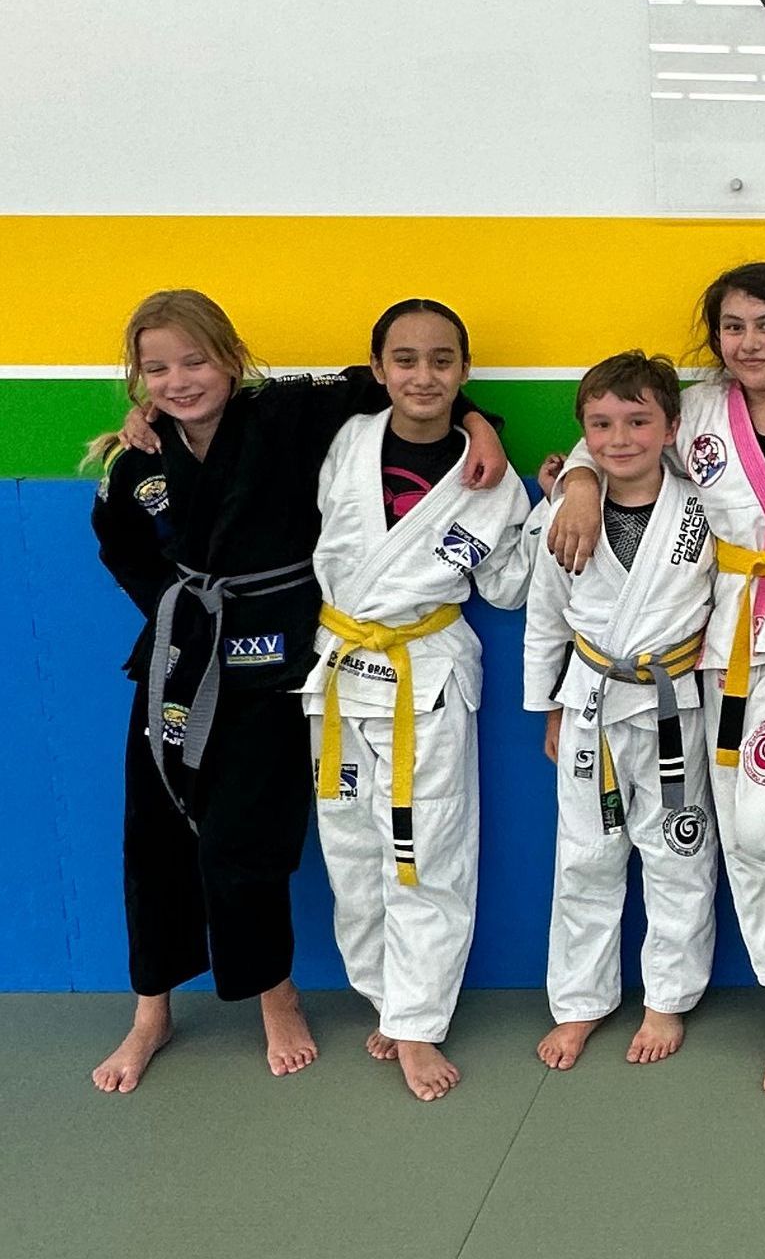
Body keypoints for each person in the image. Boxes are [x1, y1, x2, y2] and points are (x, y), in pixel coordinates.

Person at [88, 289, 507, 1094]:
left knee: (245, 842)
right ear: (138, 380)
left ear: (233, 358)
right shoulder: (135, 461)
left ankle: (273, 996)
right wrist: (176, 613)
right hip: (179, 658)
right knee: (153, 837)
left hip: (276, 660)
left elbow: (409, 385)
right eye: (157, 369)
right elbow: (119, 545)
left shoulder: (288, 415)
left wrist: (482, 422)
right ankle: (151, 1010)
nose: (179, 381)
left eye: (196, 361)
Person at [545, 262, 765, 1102]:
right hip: (724, 646)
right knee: (744, 839)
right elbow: (610, 444)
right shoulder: (694, 410)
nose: (749, 343)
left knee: (764, 829)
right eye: (733, 327)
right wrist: (581, 482)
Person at [303, 299, 532, 1101]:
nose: (423, 375)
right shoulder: (344, 441)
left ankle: (417, 1022)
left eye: (443, 360)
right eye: (405, 360)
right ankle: (384, 996)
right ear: (378, 370)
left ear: (464, 371)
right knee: (352, 849)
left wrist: (563, 487)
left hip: (425, 677)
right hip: (335, 675)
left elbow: (507, 589)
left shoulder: (493, 481)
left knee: (425, 853)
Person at [523, 352, 718, 1073]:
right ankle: (579, 1003)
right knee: (585, 858)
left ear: (671, 427)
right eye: (600, 425)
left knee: (680, 852)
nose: (620, 438)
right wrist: (547, 705)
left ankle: (667, 997)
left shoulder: (702, 504)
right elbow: (545, 618)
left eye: (638, 421)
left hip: (677, 705)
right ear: (583, 432)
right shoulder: (565, 510)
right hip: (591, 703)